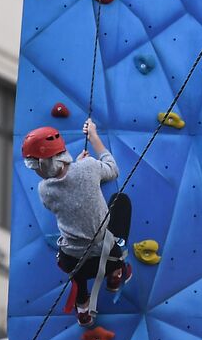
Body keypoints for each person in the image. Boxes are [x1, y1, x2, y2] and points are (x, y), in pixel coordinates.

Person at [23, 121, 131, 327]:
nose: (36, 171)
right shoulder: (89, 168)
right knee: (121, 203)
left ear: (45, 164)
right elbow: (112, 169)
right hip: (107, 257)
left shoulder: (44, 190)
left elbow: (65, 190)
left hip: (74, 262)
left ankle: (82, 305)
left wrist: (77, 168)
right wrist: (94, 138)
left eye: (36, 166)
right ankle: (116, 274)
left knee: (74, 264)